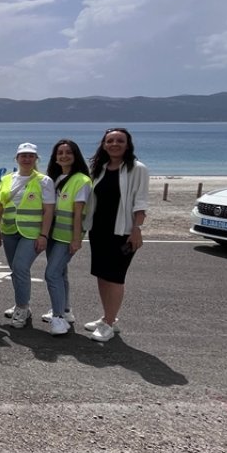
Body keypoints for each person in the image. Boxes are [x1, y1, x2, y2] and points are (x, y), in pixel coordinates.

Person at [82, 128, 148, 342]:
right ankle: (107, 317)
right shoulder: (100, 169)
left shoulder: (137, 169)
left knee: (116, 277)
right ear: (104, 145)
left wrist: (137, 229)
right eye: (110, 141)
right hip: (99, 230)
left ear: (127, 145)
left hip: (123, 232)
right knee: (102, 275)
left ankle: (109, 324)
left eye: (120, 141)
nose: (114, 144)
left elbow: (141, 202)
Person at [0, 142, 56, 328]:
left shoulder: (44, 181)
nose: (27, 159)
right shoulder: (6, 179)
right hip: (9, 230)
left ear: (36, 159)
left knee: (21, 267)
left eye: (31, 156)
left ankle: (22, 307)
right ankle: (21, 304)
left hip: (31, 233)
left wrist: (43, 235)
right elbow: (0, 206)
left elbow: (48, 211)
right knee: (15, 269)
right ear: (17, 158)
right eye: (23, 156)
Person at [40, 139, 92, 335]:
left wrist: (77, 239)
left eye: (68, 152)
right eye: (59, 153)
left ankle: (59, 319)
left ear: (75, 155)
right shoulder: (54, 178)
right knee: (61, 273)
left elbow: (79, 212)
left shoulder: (81, 180)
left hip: (67, 236)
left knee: (51, 273)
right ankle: (65, 310)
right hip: (53, 234)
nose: (63, 156)